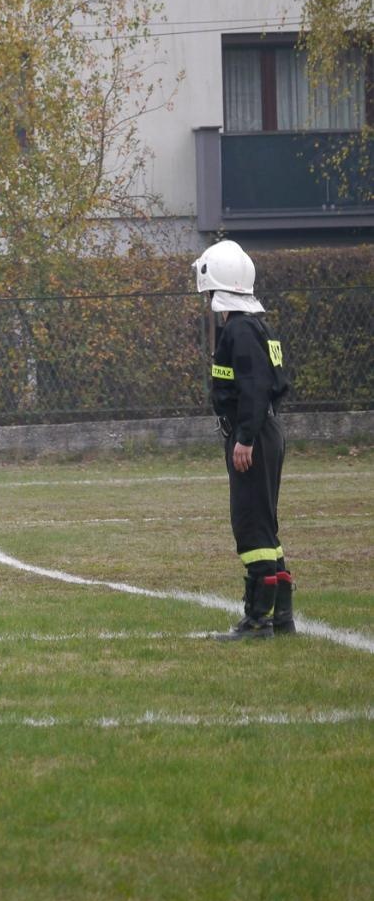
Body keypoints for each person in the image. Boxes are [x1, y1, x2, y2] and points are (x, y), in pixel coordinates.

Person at [192, 239, 295, 640]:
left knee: (252, 526)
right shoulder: (256, 325)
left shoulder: (239, 330)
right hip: (264, 430)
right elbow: (272, 386)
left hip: (252, 434)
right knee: (265, 525)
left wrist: (246, 437)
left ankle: (257, 620)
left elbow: (252, 388)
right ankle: (281, 616)